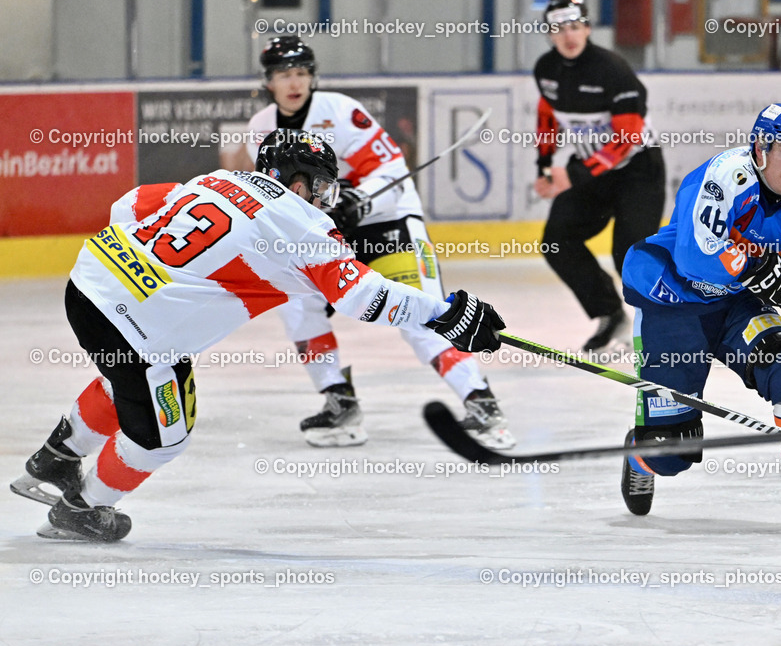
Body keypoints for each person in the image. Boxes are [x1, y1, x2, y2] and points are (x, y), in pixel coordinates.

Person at [8, 129, 506, 542]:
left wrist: (149, 267)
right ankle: (82, 510)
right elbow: (364, 297)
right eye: (320, 187)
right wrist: (446, 313)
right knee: (162, 438)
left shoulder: (220, 178)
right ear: (295, 180)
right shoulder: (305, 226)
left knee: (128, 382)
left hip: (88, 285)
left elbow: (129, 204)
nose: (324, 200)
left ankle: (54, 459)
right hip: (140, 332)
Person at [618, 103, 781, 530]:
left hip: (736, 306)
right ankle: (641, 454)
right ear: (761, 148)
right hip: (673, 303)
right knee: (672, 451)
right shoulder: (723, 176)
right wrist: (755, 267)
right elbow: (694, 254)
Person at [243, 36, 514, 449]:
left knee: (423, 311)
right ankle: (339, 401)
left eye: (301, 73)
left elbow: (390, 170)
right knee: (298, 305)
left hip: (388, 221)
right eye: (284, 75)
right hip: (323, 229)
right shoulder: (260, 129)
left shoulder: (341, 112)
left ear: (313, 77)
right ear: (269, 82)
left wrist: (360, 200)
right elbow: (276, 194)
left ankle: (481, 401)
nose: (294, 83)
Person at [532, 0, 666, 351]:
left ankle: (659, 325)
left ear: (588, 28)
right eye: (559, 28)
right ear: (549, 33)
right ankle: (610, 314)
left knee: (629, 256)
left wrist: (574, 176)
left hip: (638, 170)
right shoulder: (546, 69)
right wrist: (544, 166)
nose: (568, 35)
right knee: (557, 242)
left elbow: (628, 137)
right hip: (592, 169)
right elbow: (547, 116)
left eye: (574, 26)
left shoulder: (613, 70)